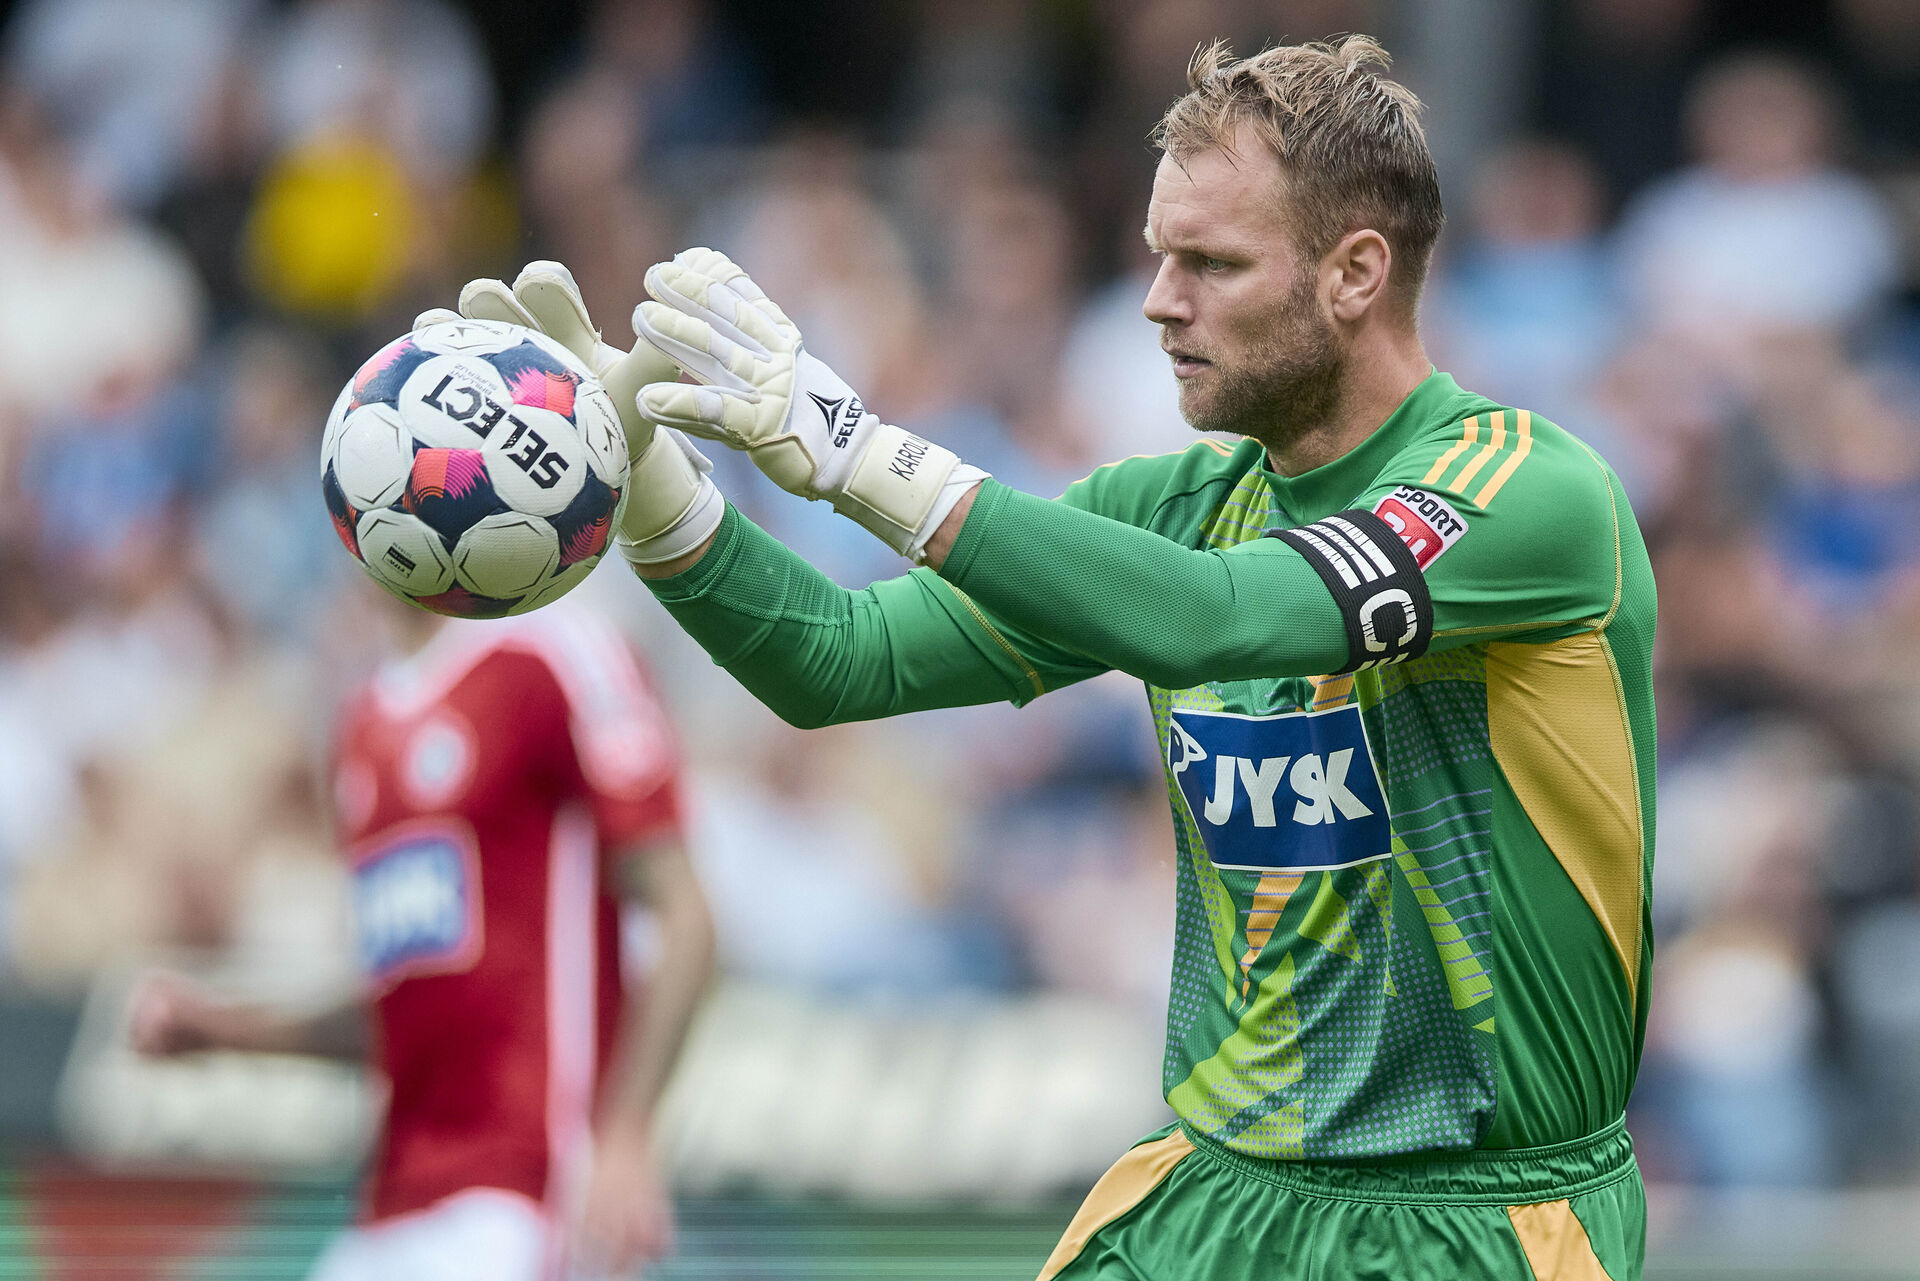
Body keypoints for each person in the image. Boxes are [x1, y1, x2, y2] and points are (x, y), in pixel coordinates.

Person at [469, 33, 1656, 1281]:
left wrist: (863, 454)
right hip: (1216, 1192)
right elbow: (843, 660)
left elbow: (1223, 618)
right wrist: (660, 499)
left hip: (1474, 1219)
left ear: (1356, 272)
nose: (1159, 300)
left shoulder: (1524, 490)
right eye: (1158, 255)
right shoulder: (1174, 505)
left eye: (1212, 264)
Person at [130, 599, 715, 1281]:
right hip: (394, 1200)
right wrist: (227, 1029)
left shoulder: (553, 655)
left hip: (529, 1189)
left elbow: (687, 916)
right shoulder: (362, 724)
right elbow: (406, 1005)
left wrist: (626, 1134)